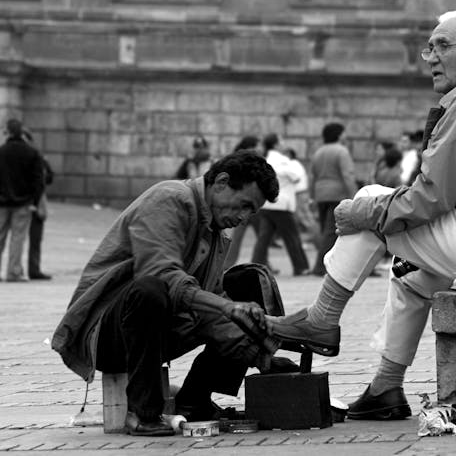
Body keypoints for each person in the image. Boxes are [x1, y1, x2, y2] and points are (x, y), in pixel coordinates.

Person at [271, 10, 456, 420]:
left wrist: (360, 213)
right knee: (411, 277)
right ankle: (386, 388)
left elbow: (430, 197)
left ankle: (322, 319)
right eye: (430, 47)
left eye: (442, 46)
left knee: (371, 199)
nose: (430, 57)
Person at [51, 150, 294, 436]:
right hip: (110, 333)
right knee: (152, 288)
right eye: (242, 206)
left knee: (251, 280)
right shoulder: (168, 199)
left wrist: (259, 354)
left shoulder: (216, 233)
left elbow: (210, 310)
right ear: (221, 182)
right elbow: (162, 275)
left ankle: (194, 400)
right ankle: (144, 414)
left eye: (250, 213)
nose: (242, 218)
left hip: (162, 326)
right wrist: (225, 307)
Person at [251, 133, 309, 276]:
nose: (283, 143)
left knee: (263, 239)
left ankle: (255, 265)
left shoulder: (266, 159)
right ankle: (301, 267)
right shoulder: (282, 160)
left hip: (267, 204)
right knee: (292, 237)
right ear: (276, 144)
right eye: (281, 140)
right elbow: (296, 177)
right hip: (282, 204)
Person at [309, 123, 358, 276]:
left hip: (320, 195)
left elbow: (312, 177)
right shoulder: (342, 151)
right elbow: (347, 175)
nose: (346, 136)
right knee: (331, 232)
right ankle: (320, 266)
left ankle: (330, 264)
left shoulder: (318, 152)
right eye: (344, 133)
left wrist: (312, 196)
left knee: (326, 231)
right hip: (336, 194)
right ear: (338, 134)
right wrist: (355, 196)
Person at [0, 119, 45, 282]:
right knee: (17, 239)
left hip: (2, 203)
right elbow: (38, 181)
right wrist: (35, 202)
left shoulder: (2, 151)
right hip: (23, 203)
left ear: (9, 132)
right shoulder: (32, 153)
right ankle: (13, 272)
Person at [224, 136, 261, 270]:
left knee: (262, 235)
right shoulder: (243, 161)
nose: (259, 148)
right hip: (245, 203)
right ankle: (227, 263)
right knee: (240, 234)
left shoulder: (240, 159)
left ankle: (228, 263)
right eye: (257, 145)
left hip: (248, 202)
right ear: (250, 147)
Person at [22, 129, 54, 280]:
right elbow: (48, 177)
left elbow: (48, 177)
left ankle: (28, 269)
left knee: (30, 238)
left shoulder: (35, 155)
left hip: (23, 201)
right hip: (29, 201)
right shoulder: (36, 154)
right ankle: (31, 270)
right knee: (30, 238)